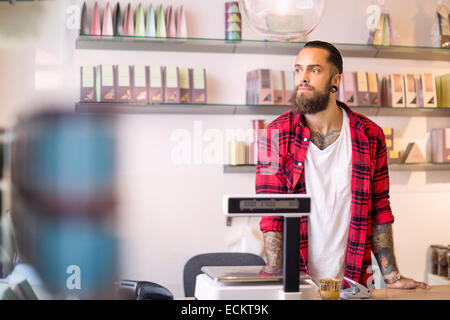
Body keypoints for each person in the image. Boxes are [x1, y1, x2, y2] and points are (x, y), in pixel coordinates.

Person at [256, 40, 428, 290]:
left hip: (352, 281)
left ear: (335, 80)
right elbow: (271, 212)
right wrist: (276, 277)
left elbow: (379, 207)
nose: (302, 78)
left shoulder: (370, 135)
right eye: (297, 69)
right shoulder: (273, 135)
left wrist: (392, 276)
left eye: (314, 70)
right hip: (296, 282)